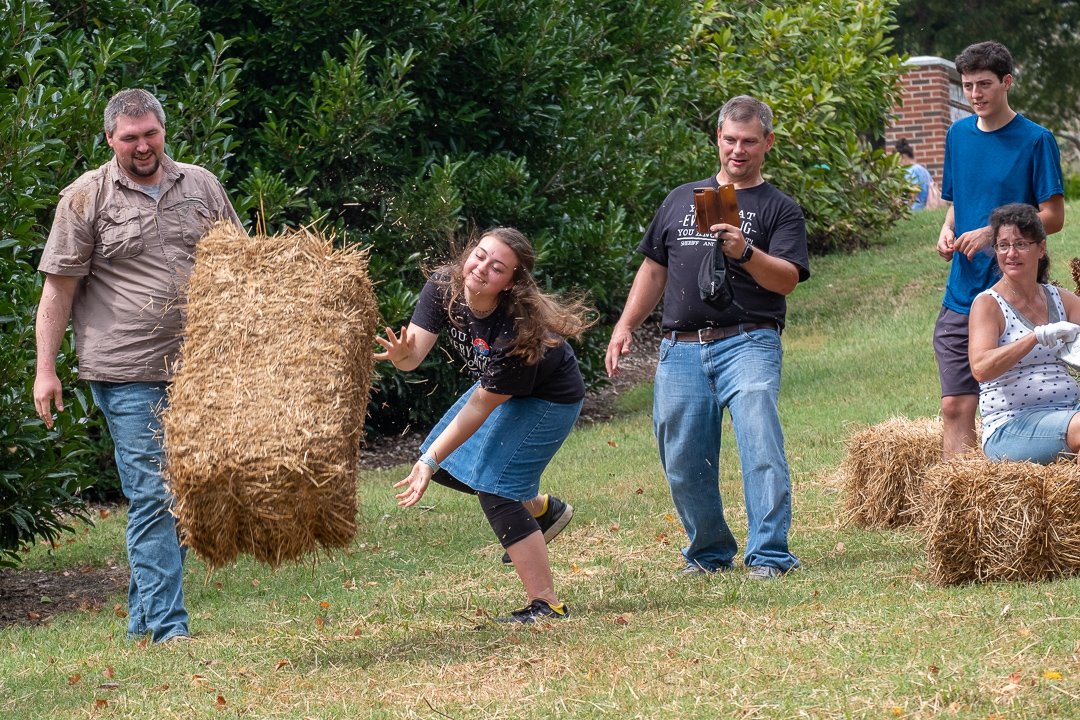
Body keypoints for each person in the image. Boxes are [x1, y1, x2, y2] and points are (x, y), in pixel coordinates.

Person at [33, 88, 242, 643]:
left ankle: (143, 624)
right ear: (110, 140)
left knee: (183, 490)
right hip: (127, 369)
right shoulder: (85, 198)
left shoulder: (200, 185)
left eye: (151, 133)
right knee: (155, 492)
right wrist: (45, 369)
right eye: (130, 137)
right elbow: (58, 291)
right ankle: (170, 629)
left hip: (201, 366)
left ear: (163, 131)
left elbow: (243, 265)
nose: (143, 145)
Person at [604, 95, 810, 579]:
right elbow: (654, 269)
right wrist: (626, 324)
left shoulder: (780, 208)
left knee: (760, 439)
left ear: (768, 144)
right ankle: (709, 552)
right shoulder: (682, 198)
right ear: (717, 139)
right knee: (681, 457)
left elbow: (785, 280)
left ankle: (770, 555)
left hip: (749, 341)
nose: (738, 151)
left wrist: (744, 251)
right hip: (681, 347)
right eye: (730, 140)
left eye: (749, 142)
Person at [374, 227, 591, 623]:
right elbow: (412, 358)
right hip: (500, 389)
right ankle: (541, 511)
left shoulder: (516, 331)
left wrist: (429, 461)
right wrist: (403, 356)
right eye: (480, 255)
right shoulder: (444, 287)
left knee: (495, 488)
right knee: (451, 468)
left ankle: (547, 604)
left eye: (497, 268)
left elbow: (480, 406)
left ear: (509, 283)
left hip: (549, 398)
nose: (481, 269)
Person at [935, 40, 1065, 459]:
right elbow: (958, 203)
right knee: (955, 404)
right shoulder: (957, 135)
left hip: (1015, 293)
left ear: (1007, 82)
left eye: (984, 84)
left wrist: (992, 235)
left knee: (1024, 403)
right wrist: (946, 227)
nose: (975, 94)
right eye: (968, 85)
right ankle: (959, 511)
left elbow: (1053, 216)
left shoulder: (1036, 140)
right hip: (962, 292)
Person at [969, 204, 1080, 463]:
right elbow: (981, 368)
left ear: (1040, 248)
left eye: (1020, 244)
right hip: (1012, 426)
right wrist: (1034, 337)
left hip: (1069, 412)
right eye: (1003, 245)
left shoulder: (1061, 299)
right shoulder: (988, 304)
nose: (1011, 253)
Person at [895, 138, 932, 210]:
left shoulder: (910, 170)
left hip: (916, 209)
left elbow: (914, 191)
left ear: (903, 157)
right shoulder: (922, 169)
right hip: (927, 207)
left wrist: (907, 209)